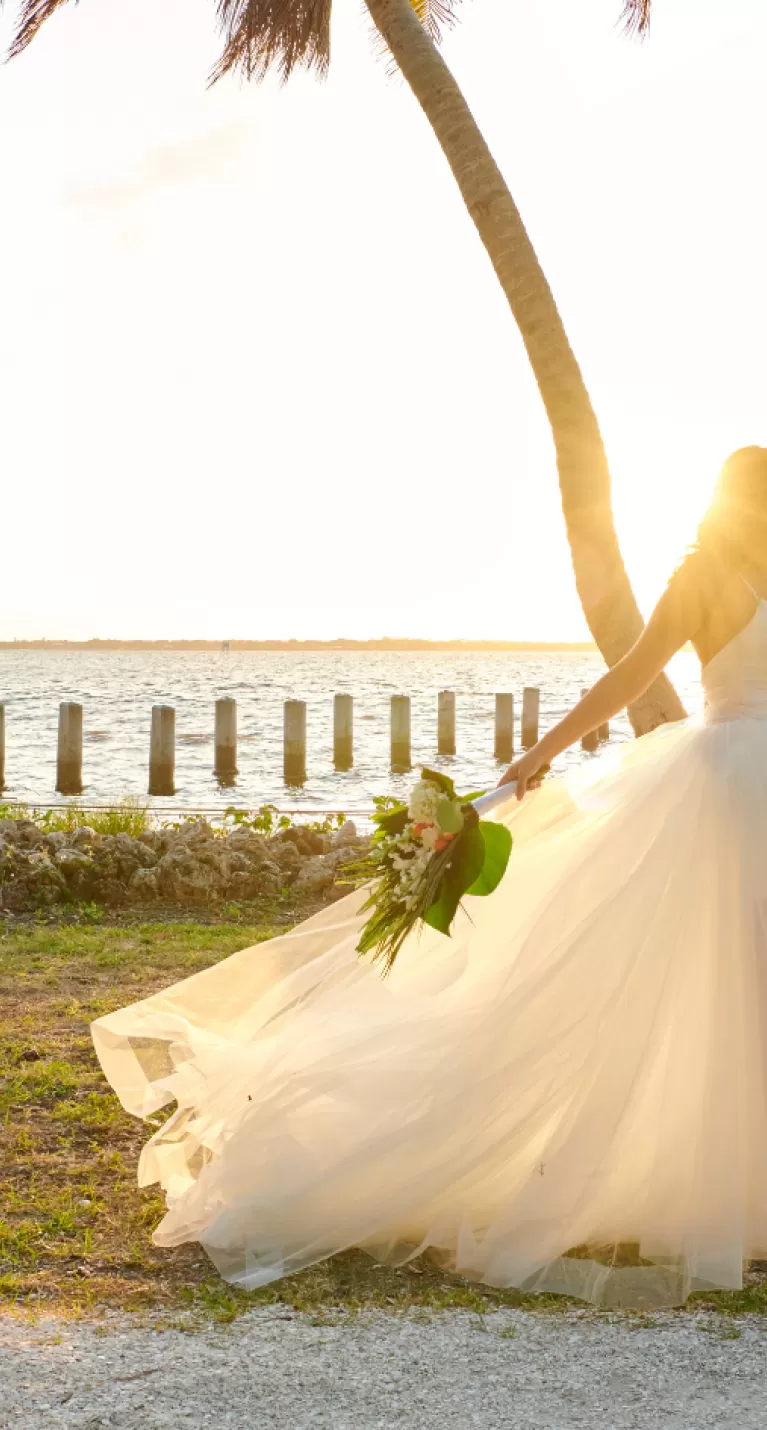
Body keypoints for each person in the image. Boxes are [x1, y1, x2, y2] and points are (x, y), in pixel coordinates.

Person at [93, 447, 767, 1310]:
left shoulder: (700, 582)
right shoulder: (714, 582)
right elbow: (630, 677)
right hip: (737, 785)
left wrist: (542, 753)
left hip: (715, 779)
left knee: (691, 977)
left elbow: (625, 678)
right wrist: (539, 755)